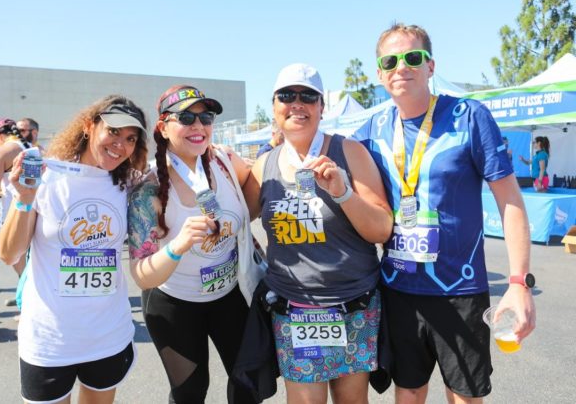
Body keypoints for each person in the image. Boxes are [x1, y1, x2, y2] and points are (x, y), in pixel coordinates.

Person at [353, 23, 536, 403]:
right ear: (380, 73)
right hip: (399, 288)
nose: (401, 66)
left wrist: (518, 283)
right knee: (409, 392)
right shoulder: (370, 130)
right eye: (391, 60)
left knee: (465, 396)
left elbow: (511, 202)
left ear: (430, 66)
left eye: (412, 57)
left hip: (461, 292)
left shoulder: (469, 116)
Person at [242, 63, 393, 404]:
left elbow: (382, 229)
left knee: (352, 402)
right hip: (295, 310)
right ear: (275, 106)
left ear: (321, 107)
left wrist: (343, 192)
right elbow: (234, 216)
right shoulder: (263, 166)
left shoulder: (349, 152)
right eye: (287, 95)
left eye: (308, 96)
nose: (297, 103)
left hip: (353, 305)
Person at [0, 95, 148, 404]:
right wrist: (25, 197)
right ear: (89, 126)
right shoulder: (45, 176)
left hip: (108, 335)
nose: (121, 144)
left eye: (131, 138)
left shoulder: (129, 184)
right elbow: (9, 254)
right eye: (113, 132)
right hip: (50, 339)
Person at [127, 85, 256, 404]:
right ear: (163, 127)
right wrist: (178, 245)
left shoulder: (225, 160)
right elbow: (143, 276)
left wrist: (233, 226)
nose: (198, 126)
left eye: (206, 117)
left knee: (249, 385)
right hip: (175, 302)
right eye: (186, 117)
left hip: (228, 294)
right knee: (190, 392)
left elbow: (253, 185)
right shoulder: (149, 189)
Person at [0, 118, 32, 306]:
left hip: (15, 212)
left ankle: (26, 303)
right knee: (33, 262)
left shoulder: (2, 151)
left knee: (16, 259)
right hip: (36, 211)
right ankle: (27, 298)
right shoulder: (32, 148)